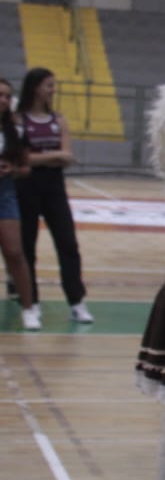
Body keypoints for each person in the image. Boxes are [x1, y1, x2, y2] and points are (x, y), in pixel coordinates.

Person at [15, 68, 92, 324]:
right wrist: (54, 156)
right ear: (35, 87)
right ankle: (31, 302)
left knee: (68, 243)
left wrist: (48, 157)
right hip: (26, 185)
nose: (53, 89)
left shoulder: (59, 120)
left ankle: (77, 301)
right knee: (27, 245)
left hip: (54, 186)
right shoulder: (19, 120)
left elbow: (67, 155)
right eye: (49, 85)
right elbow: (21, 158)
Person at [0, 78, 40, 331]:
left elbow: (26, 167)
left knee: (15, 253)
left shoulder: (16, 131)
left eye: (7, 96)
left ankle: (28, 308)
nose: (3, 100)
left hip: (5, 193)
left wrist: (12, 168)